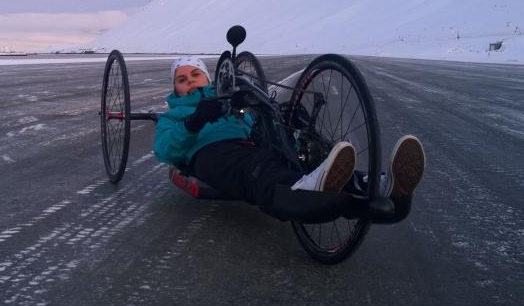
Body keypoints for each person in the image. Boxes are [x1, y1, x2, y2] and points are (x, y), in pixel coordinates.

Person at [153, 56, 425, 222]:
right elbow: (165, 150)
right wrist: (194, 120)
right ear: (175, 88)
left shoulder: (230, 98)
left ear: (207, 77)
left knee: (284, 152)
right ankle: (304, 186)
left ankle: (374, 185)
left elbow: (260, 127)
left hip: (251, 145)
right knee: (255, 168)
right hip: (210, 154)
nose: (190, 81)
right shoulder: (173, 116)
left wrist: (289, 132)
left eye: (195, 75)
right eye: (182, 79)